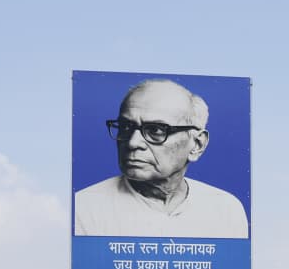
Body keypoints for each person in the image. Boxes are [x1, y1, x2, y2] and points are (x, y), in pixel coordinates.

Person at [74, 79, 248, 238]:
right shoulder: (83, 208)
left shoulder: (226, 210)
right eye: (126, 127)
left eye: (156, 130)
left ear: (197, 144)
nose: (133, 143)